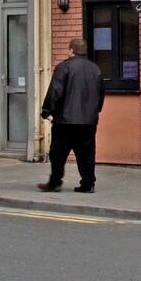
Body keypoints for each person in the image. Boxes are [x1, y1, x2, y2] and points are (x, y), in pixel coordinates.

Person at [39, 35, 103, 194]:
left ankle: (55, 183)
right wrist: (95, 111)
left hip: (65, 120)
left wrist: (47, 111)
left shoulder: (64, 67)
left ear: (71, 50)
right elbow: (101, 94)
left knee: (58, 153)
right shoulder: (95, 69)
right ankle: (88, 184)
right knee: (87, 153)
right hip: (88, 121)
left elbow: (55, 91)